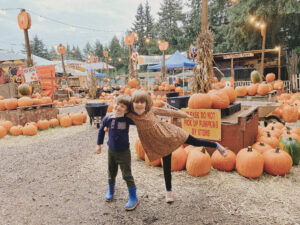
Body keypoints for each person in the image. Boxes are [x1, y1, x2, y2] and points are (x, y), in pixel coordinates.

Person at [127, 90, 227, 203]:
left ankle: (216, 145)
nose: (139, 104)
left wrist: (186, 115)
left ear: (146, 103)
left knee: (196, 141)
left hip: (171, 134)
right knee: (167, 167)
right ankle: (168, 192)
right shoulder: (132, 116)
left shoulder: (151, 110)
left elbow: (169, 112)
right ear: (132, 103)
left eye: (142, 102)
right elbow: (119, 114)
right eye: (136, 102)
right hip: (160, 144)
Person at [96, 95, 138, 211]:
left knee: (127, 174)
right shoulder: (108, 118)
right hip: (111, 151)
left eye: (122, 106)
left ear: (127, 109)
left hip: (124, 152)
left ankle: (133, 197)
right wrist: (99, 145)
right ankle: (110, 190)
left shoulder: (127, 119)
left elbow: (140, 121)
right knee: (111, 172)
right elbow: (101, 131)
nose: (118, 107)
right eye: (117, 104)